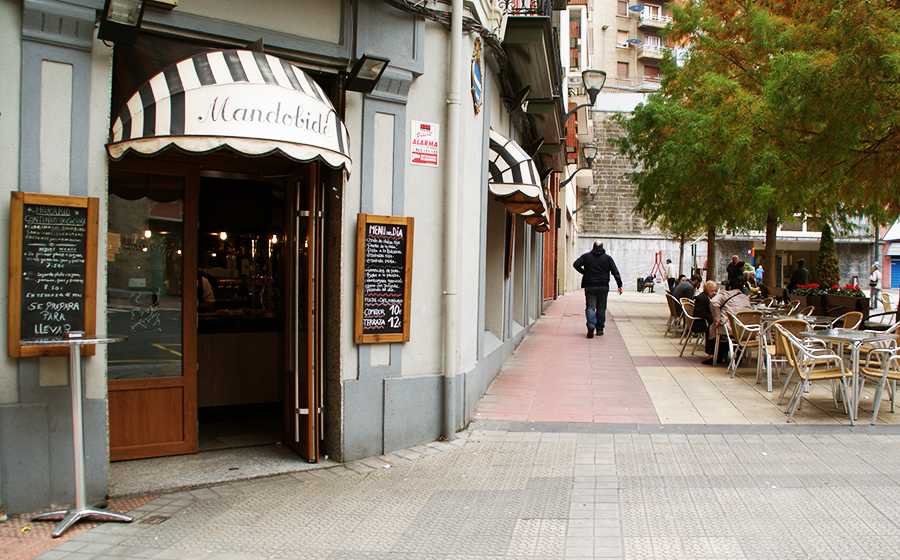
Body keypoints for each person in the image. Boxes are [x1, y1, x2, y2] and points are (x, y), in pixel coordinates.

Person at [573, 242, 624, 338]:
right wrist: (619, 285)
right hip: (603, 286)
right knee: (601, 308)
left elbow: (576, 264)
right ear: (602, 247)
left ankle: (591, 324)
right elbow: (615, 271)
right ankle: (600, 329)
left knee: (590, 307)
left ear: (593, 247)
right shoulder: (607, 258)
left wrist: (584, 273)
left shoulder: (586, 256)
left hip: (590, 285)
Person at [708, 276, 753, 365]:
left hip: (729, 329)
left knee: (712, 328)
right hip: (746, 330)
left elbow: (713, 302)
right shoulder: (745, 298)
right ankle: (738, 356)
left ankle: (717, 356)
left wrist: (717, 319)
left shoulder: (725, 294)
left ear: (729, 287)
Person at [692, 281, 718, 364]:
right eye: (712, 291)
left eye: (715, 291)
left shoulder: (714, 298)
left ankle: (719, 353)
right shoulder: (701, 298)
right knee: (713, 329)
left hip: (708, 320)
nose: (714, 293)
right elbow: (702, 313)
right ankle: (711, 354)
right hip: (700, 322)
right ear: (707, 290)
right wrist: (714, 319)